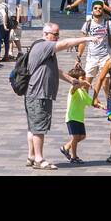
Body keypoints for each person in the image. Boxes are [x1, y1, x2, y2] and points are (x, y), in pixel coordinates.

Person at [20, 22, 88, 170]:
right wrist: (86, 39)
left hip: (33, 93)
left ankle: (31, 156)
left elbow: (54, 70)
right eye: (55, 34)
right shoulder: (44, 45)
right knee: (39, 128)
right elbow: (66, 44)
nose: (57, 38)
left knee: (33, 127)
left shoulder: (41, 47)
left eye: (58, 34)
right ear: (45, 34)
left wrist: (71, 80)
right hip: (39, 94)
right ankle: (39, 159)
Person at [58, 65, 96, 164]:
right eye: (82, 78)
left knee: (82, 136)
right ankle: (74, 157)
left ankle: (65, 147)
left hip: (79, 118)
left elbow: (90, 102)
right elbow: (74, 88)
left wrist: (100, 105)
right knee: (75, 138)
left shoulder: (83, 91)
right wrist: (81, 83)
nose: (84, 80)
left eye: (84, 78)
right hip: (72, 117)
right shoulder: (74, 90)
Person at [78, 2, 111, 80]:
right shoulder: (87, 24)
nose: (98, 10)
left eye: (100, 8)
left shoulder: (109, 24)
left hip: (105, 57)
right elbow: (82, 42)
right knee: (86, 84)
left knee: (105, 84)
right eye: (95, 8)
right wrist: (78, 57)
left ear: (103, 11)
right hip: (91, 58)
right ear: (92, 11)